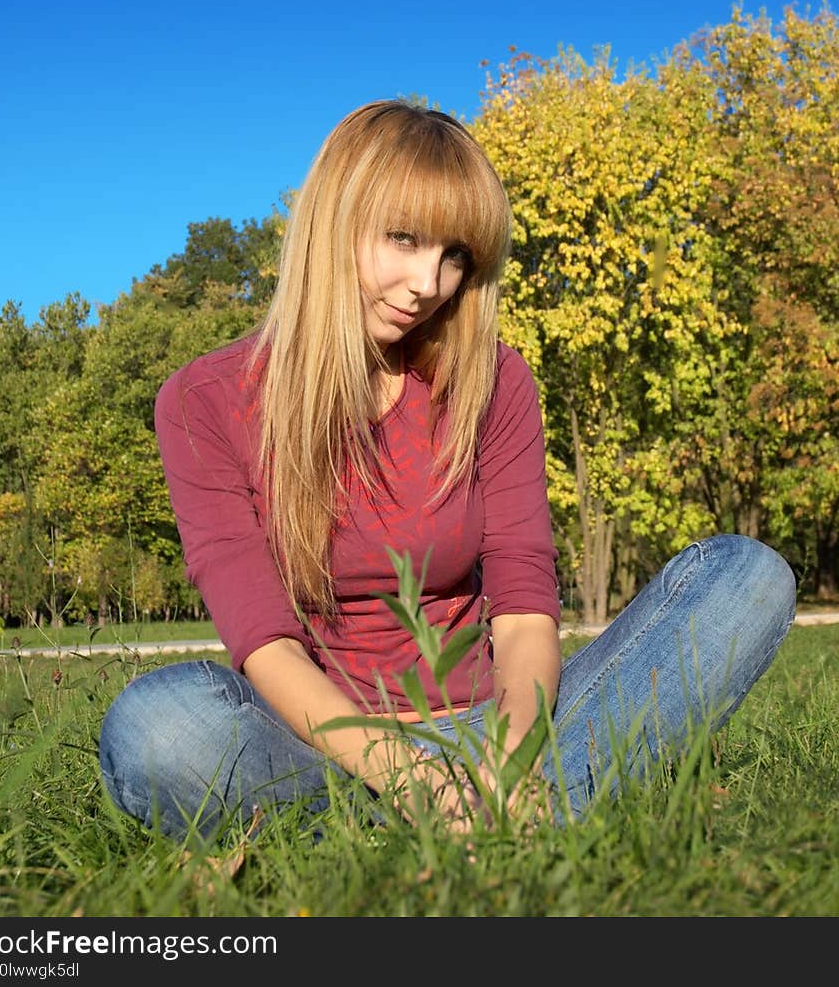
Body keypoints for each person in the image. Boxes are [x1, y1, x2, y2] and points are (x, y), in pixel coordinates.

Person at [98, 99, 797, 844]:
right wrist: (410, 776)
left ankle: (416, 828)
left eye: (455, 255)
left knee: (747, 577)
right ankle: (495, 822)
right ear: (335, 219)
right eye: (403, 239)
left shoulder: (493, 381)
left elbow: (526, 605)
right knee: (160, 730)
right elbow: (263, 643)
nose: (429, 283)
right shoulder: (206, 402)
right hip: (317, 744)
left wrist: (513, 754)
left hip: (491, 725)